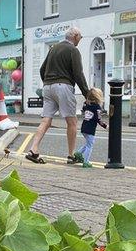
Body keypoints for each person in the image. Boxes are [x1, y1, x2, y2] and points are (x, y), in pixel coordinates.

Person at [26, 27, 92, 164]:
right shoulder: (73, 50)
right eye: (80, 36)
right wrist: (87, 94)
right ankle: (71, 155)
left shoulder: (53, 48)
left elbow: (42, 69)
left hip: (48, 87)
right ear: (74, 36)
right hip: (63, 86)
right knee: (72, 121)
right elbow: (78, 74)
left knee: (46, 120)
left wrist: (47, 82)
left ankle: (33, 149)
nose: (80, 39)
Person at [74, 88, 107, 168]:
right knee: (90, 145)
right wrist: (105, 126)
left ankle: (78, 153)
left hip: (84, 128)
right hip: (90, 129)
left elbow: (83, 109)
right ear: (98, 97)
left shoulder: (86, 105)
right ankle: (86, 162)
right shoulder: (97, 108)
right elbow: (99, 120)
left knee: (88, 143)